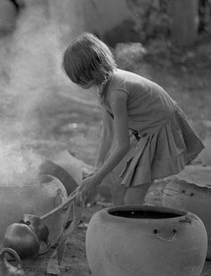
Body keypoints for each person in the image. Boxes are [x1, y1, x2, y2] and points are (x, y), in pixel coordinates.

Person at [62, 32, 204, 206]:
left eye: (79, 77)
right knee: (118, 191)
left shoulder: (116, 93)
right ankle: (127, 222)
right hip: (143, 129)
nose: (76, 82)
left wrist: (97, 179)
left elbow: (123, 145)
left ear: (93, 70)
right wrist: (97, 168)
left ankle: (140, 229)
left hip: (159, 129)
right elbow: (108, 132)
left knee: (131, 199)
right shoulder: (104, 85)